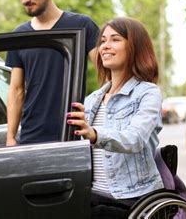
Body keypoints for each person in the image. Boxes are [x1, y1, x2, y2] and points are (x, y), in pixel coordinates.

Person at [66, 17, 164, 218]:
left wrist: (94, 134)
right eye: (102, 41)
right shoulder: (93, 99)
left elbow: (134, 139)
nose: (105, 46)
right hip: (92, 196)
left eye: (115, 39)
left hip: (132, 198)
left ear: (134, 47)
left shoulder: (148, 93)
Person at [6, 0, 99, 145]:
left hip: (72, 134)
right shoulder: (19, 35)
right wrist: (10, 137)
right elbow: (16, 89)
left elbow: (107, 74)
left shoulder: (82, 25)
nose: (25, 0)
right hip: (31, 136)